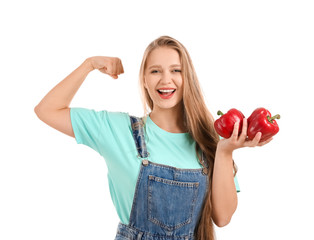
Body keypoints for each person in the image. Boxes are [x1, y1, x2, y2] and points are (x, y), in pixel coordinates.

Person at [34, 36, 272, 240]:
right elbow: (46, 110)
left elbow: (222, 217)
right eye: (155, 71)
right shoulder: (116, 129)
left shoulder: (208, 140)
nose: (166, 79)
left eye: (176, 70)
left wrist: (225, 151)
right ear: (144, 80)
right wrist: (89, 65)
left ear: (187, 78)